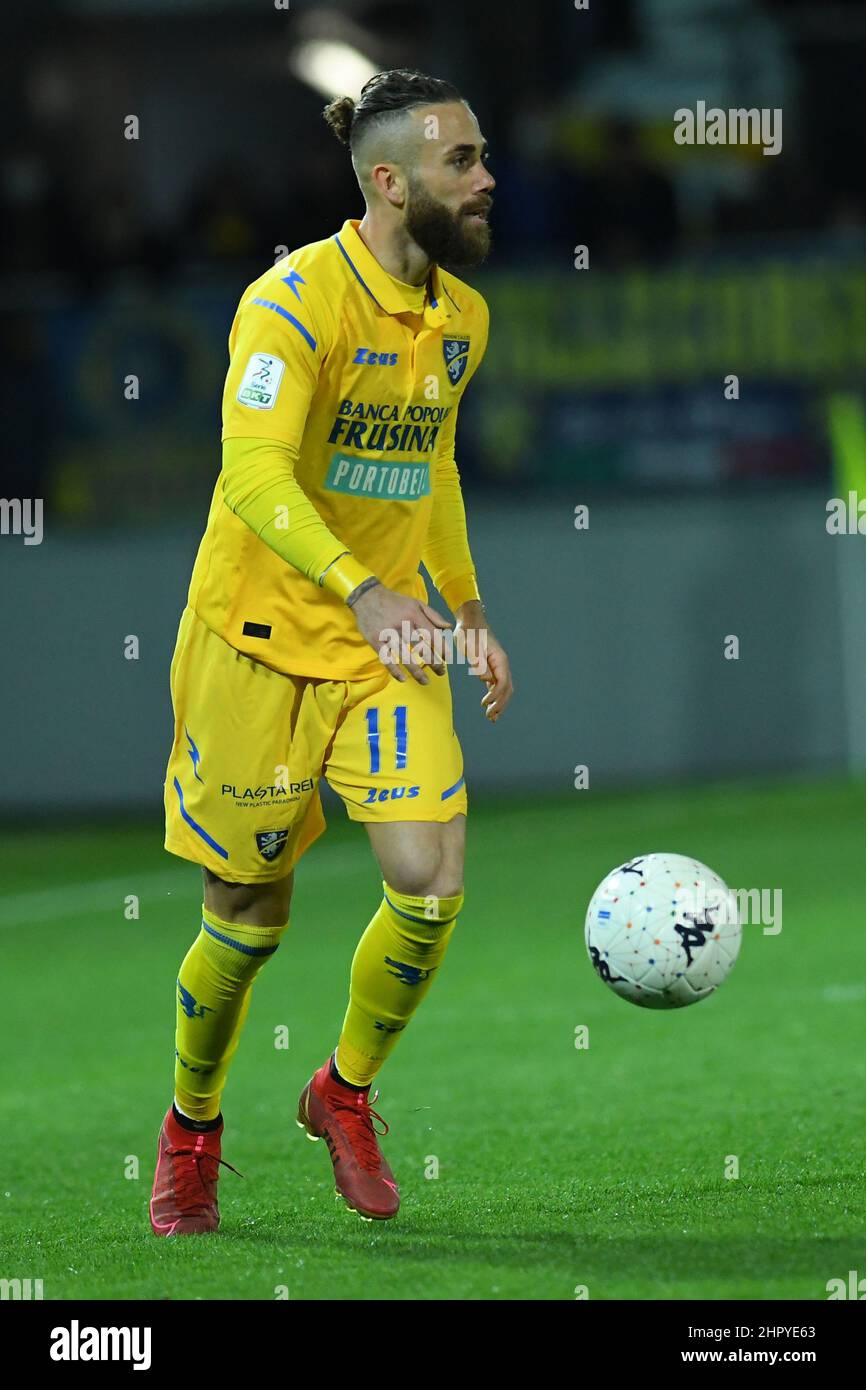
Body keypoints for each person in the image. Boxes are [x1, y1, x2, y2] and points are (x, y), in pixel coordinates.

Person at [150, 68, 513, 1233]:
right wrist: (358, 589)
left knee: (428, 881)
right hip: (258, 639)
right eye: (462, 161)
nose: (487, 177)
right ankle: (192, 1124)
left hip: (385, 640)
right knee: (247, 914)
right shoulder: (292, 303)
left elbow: (433, 464)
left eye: (482, 154)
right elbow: (251, 472)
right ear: (391, 181)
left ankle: (341, 1092)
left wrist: (460, 607)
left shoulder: (460, 318)